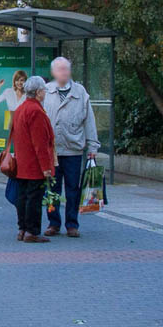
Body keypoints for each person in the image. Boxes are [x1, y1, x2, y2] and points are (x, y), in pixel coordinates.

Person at [42, 57, 100, 238]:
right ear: (53, 72)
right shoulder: (47, 91)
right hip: (52, 151)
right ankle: (53, 222)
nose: (63, 73)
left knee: (73, 189)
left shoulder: (80, 92)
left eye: (66, 69)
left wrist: (93, 146)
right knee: (52, 189)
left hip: (73, 150)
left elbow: (89, 121)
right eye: (59, 70)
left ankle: (72, 224)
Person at [11, 76, 56, 243]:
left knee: (22, 197)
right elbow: (41, 143)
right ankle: (32, 231)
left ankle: (22, 229)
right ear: (38, 92)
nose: (45, 93)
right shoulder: (36, 111)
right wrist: (46, 167)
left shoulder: (21, 108)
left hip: (22, 162)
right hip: (34, 164)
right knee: (34, 199)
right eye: (44, 90)